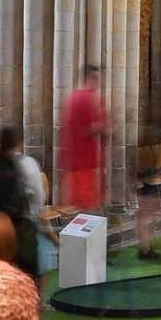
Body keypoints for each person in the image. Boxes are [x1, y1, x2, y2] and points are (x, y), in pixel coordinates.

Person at [0, 126, 44, 285]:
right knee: (27, 271)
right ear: (18, 143)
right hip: (21, 227)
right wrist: (33, 218)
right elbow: (39, 198)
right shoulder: (28, 164)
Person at [58, 66, 109, 212]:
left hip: (82, 163)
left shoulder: (76, 98)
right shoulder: (83, 99)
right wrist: (100, 127)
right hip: (83, 164)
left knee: (84, 207)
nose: (98, 83)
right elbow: (85, 129)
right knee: (86, 209)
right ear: (90, 79)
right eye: (96, 79)